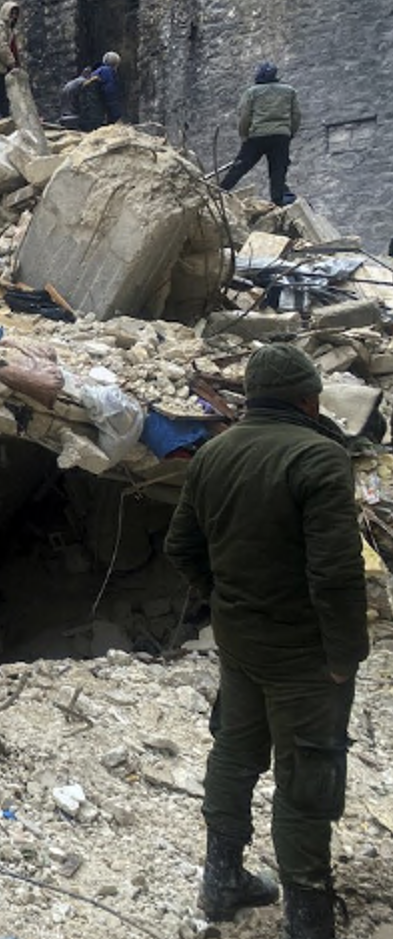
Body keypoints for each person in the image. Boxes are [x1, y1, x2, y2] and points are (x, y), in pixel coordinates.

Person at [165, 343, 367, 939]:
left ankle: (221, 880)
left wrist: (223, 598)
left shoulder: (213, 453)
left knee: (234, 751)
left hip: (240, 642)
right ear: (308, 398)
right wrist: (345, 654)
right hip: (304, 654)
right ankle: (307, 917)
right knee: (307, 774)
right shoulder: (321, 457)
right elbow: (335, 572)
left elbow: (181, 547)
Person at [220, 62, 302, 207]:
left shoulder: (252, 92)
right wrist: (289, 133)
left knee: (240, 166)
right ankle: (278, 199)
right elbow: (296, 115)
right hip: (280, 135)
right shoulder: (289, 91)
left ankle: (220, 191)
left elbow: (244, 116)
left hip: (257, 136)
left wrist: (244, 135)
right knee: (278, 169)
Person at [94, 50, 124, 123]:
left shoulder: (97, 72)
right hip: (101, 111)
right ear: (116, 64)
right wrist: (116, 115)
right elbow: (110, 93)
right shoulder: (108, 72)